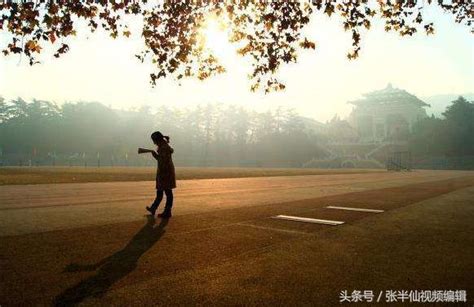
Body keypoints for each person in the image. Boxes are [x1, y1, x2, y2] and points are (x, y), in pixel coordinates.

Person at [138, 131, 176, 218]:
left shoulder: (164, 148)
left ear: (157, 140)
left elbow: (162, 161)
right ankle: (154, 208)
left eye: (154, 140)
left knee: (167, 191)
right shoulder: (163, 146)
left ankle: (167, 211)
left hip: (166, 172)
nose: (153, 142)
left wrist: (154, 154)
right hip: (164, 171)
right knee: (160, 191)